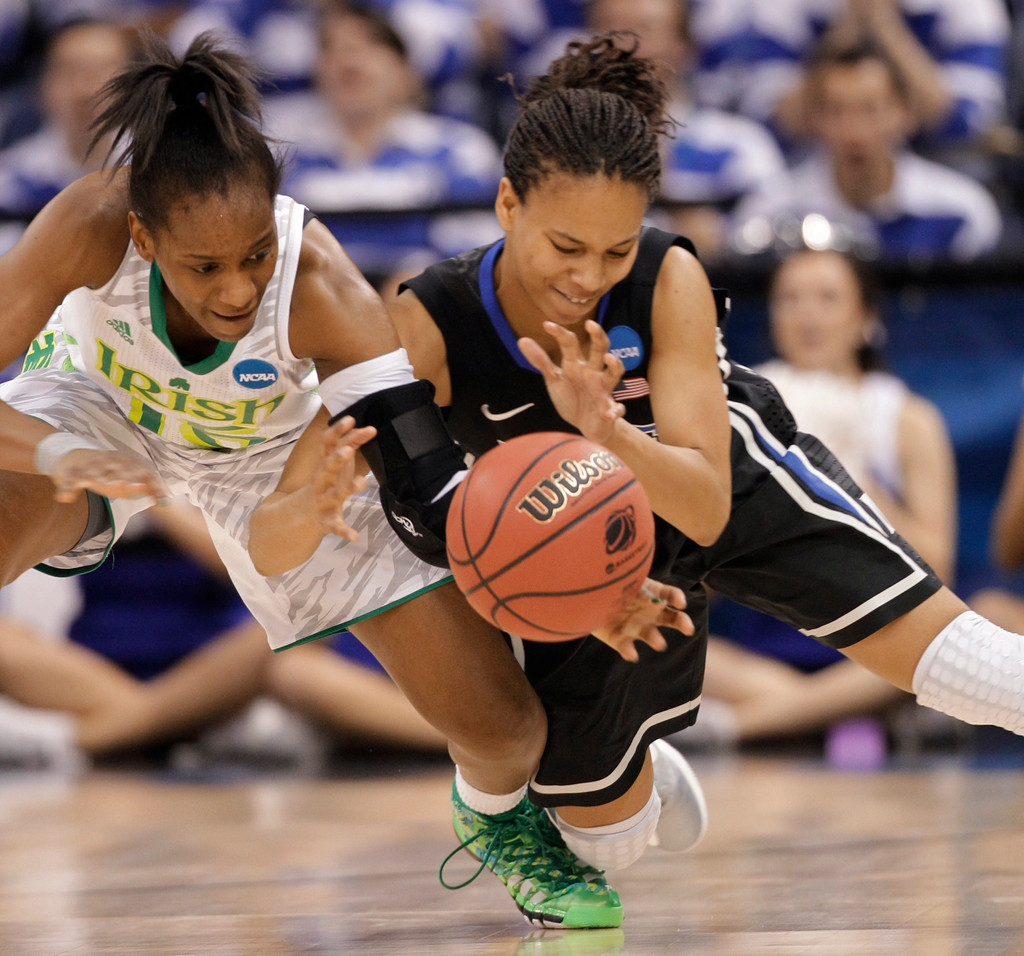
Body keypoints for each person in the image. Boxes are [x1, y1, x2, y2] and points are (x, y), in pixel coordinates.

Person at [0, 31, 687, 931]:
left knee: (503, 731)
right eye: (205, 267)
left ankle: (495, 821)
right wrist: (52, 454)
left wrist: (576, 597)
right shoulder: (87, 223)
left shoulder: (322, 284)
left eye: (253, 253)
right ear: (142, 234)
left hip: (283, 457)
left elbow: (431, 484)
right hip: (97, 402)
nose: (240, 287)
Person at [360, 32, 1024, 926]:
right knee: (607, 840)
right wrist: (584, 602)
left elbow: (708, 505)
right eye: (566, 246)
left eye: (614, 250)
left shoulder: (668, 274)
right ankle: (642, 765)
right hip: (571, 538)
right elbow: (421, 507)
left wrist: (603, 429)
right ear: (507, 204)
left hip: (711, 475)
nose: (590, 278)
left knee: (961, 663)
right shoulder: (429, 317)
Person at [700, 247, 958, 747]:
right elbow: (696, 570)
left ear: (865, 318)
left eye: (827, 298)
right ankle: (841, 715)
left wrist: (851, 476)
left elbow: (940, 565)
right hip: (765, 649)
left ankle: (744, 726)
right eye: (789, 300)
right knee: (654, 641)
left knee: (958, 639)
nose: (807, 315)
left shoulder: (908, 418)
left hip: (882, 643)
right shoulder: (734, 403)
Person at [0, 499, 450, 765]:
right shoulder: (75, 429)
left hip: (213, 652)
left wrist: (156, 501)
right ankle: (164, 724)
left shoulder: (216, 432)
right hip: (107, 656)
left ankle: (89, 738)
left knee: (295, 643)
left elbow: (259, 571)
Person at [269, 0, 502, 281]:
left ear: (407, 71)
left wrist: (420, 285)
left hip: (421, 310)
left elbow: (481, 253)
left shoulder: (460, 150)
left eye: (370, 43)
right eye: (330, 47)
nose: (348, 59)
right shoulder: (283, 159)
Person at [731, 39, 1003, 263]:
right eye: (836, 110)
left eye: (870, 110)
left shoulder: (962, 213)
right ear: (814, 118)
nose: (853, 131)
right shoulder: (769, 214)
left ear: (904, 113)